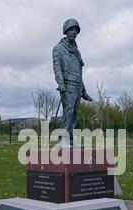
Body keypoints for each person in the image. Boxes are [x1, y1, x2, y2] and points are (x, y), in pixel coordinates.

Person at [52, 18, 92, 147]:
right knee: (68, 113)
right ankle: (62, 139)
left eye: (76, 30)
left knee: (74, 114)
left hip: (77, 86)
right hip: (67, 85)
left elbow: (79, 73)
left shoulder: (77, 51)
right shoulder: (58, 48)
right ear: (66, 31)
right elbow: (57, 67)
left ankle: (69, 139)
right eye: (71, 29)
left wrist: (84, 91)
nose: (74, 32)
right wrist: (61, 83)